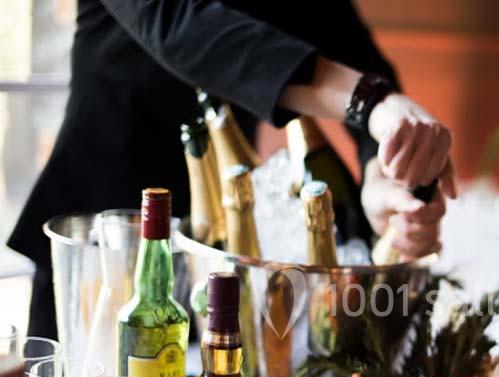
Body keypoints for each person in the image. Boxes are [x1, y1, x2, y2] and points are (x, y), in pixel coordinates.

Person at [7, 1, 456, 339]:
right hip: (103, 250)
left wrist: (382, 168)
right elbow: (181, 24)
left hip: (220, 258)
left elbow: (350, 47)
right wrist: (370, 102)